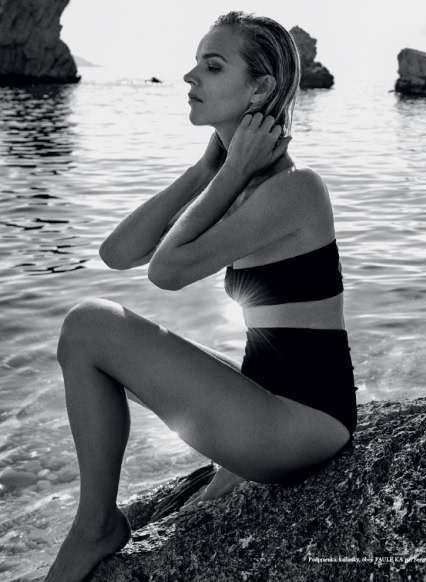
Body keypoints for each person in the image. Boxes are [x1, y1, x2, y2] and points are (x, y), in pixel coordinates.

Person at [45, 12, 356, 582]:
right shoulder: (239, 183)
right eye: (196, 64)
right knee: (87, 337)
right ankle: (99, 520)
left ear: (260, 87)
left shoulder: (293, 189)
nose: (191, 77)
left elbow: (166, 272)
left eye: (213, 67)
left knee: (88, 326)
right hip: (268, 406)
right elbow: (118, 253)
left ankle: (95, 526)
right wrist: (207, 169)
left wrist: (231, 169)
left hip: (301, 423)